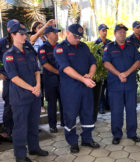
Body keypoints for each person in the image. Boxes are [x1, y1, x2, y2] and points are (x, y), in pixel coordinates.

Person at [3, 22, 49, 162]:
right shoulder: (9, 55)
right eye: (21, 34)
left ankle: (34, 148)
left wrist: (38, 86)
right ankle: (20, 154)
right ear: (13, 35)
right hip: (21, 97)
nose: (24, 37)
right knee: (20, 127)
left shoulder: (29, 51)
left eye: (25, 34)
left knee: (33, 124)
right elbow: (14, 78)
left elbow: (36, 70)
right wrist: (32, 88)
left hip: (34, 95)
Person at [54, 24, 100, 153]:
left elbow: (93, 63)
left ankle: (87, 138)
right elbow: (66, 68)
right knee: (71, 115)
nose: (78, 39)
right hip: (70, 89)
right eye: (76, 36)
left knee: (87, 113)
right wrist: (83, 79)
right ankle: (72, 142)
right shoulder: (60, 49)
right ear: (67, 33)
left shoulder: (83, 47)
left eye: (80, 37)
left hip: (85, 87)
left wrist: (90, 75)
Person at [103, 24, 140, 145]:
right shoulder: (109, 47)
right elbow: (106, 63)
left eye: (124, 32)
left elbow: (138, 61)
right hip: (115, 85)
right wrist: (119, 74)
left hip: (130, 84)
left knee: (131, 110)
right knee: (116, 110)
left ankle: (132, 133)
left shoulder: (132, 46)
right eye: (119, 32)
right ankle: (117, 134)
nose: (122, 34)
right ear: (115, 34)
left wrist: (126, 73)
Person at [37, 26, 64, 133]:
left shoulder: (61, 46)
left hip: (63, 80)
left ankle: (64, 122)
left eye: (57, 33)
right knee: (52, 104)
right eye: (54, 33)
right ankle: (52, 126)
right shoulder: (43, 48)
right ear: (47, 35)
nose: (57, 34)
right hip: (50, 81)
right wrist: (59, 72)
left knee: (64, 102)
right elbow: (45, 64)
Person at [30, 19, 55, 113]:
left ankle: (48, 103)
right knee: (39, 85)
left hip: (49, 65)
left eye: (42, 27)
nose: (42, 29)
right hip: (38, 66)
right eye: (39, 27)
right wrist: (46, 24)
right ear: (34, 29)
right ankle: (40, 105)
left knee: (47, 86)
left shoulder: (46, 37)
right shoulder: (34, 38)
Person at [0, 19, 19, 142]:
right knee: (9, 105)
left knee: (20, 105)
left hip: (21, 80)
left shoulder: (22, 41)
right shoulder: (2, 42)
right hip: (8, 78)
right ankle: (7, 131)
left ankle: (21, 129)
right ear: (8, 30)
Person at [95, 24, 111, 116]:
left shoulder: (110, 43)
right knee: (101, 89)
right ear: (99, 31)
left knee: (110, 88)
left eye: (106, 30)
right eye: (103, 30)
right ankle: (101, 106)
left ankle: (108, 105)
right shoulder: (96, 43)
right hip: (100, 70)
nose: (105, 32)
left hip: (109, 69)